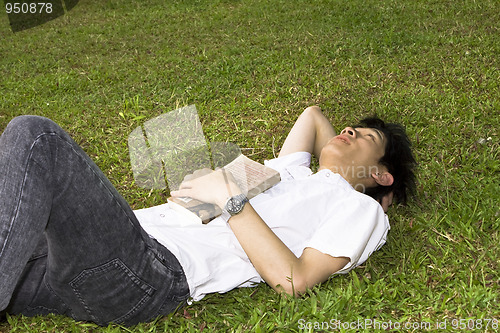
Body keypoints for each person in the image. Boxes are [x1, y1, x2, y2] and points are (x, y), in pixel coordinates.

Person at [0, 106, 416, 326]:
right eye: (350, 128)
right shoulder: (291, 173)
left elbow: (296, 280)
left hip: (149, 272)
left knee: (36, 137)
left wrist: (230, 198)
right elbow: (312, 116)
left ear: (381, 173)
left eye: (365, 137)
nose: (348, 132)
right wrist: (339, 157)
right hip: (92, 264)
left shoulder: (358, 208)